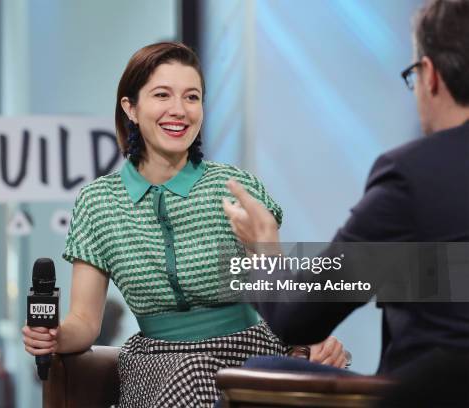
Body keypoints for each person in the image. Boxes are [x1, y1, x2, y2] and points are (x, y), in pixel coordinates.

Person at [23, 42, 348, 407]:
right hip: (158, 363)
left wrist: (310, 337)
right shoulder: (98, 203)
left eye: (192, 97)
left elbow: (278, 293)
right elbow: (84, 320)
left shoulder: (235, 188)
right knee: (190, 373)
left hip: (249, 352)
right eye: (162, 95)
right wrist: (53, 338)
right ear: (130, 108)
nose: (179, 110)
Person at [223, 0, 469, 378]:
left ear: (431, 75)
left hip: (432, 393)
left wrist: (264, 247)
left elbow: (297, 318)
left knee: (261, 371)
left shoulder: (411, 175)